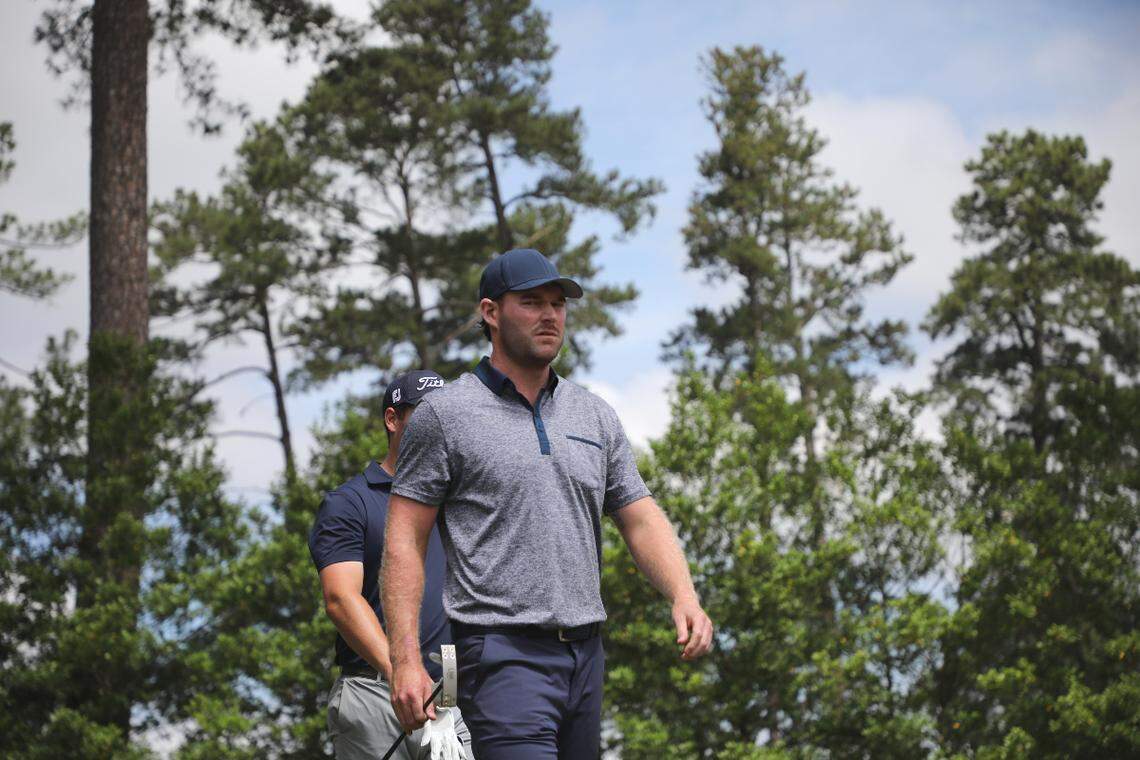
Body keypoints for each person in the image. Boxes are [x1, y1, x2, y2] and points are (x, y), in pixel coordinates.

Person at [382, 249, 714, 759]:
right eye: (532, 301)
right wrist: (404, 658)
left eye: (558, 304)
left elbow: (639, 516)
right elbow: (404, 538)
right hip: (500, 654)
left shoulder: (594, 414)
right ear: (490, 313)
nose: (549, 315)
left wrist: (683, 595)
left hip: (586, 656)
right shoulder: (445, 415)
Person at [308, 370, 471, 759]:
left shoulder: (461, 504)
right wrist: (403, 672)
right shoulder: (351, 502)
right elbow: (340, 599)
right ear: (393, 419)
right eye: (427, 414)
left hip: (450, 701)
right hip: (375, 694)